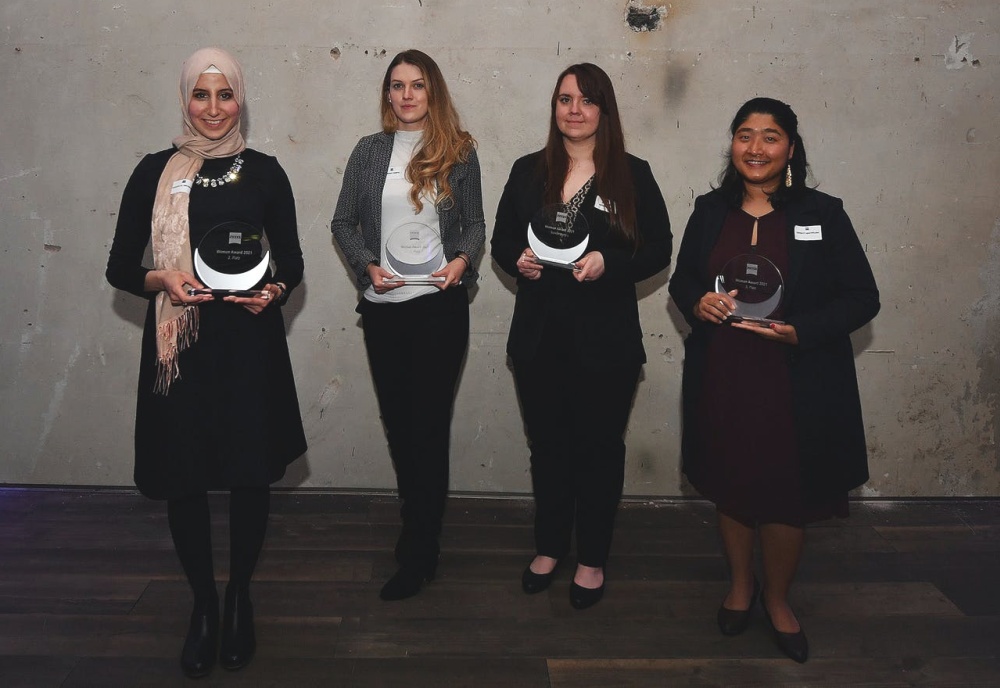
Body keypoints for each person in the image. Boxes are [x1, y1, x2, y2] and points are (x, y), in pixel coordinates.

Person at [106, 47, 306, 678]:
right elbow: (120, 267)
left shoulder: (266, 171)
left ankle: (240, 595)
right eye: (201, 94)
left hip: (249, 343)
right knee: (184, 475)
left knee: (250, 475)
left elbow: (292, 260)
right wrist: (162, 278)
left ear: (239, 98)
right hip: (181, 346)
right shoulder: (153, 170)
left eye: (225, 94)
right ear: (185, 99)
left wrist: (274, 290)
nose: (214, 108)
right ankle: (204, 604)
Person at [668, 97, 879, 662]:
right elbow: (684, 280)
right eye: (744, 135)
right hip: (725, 374)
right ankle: (741, 587)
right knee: (732, 484)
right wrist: (699, 301)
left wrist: (801, 331)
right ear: (732, 144)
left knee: (789, 495)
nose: (755, 147)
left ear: (790, 147)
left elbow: (863, 297)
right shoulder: (710, 210)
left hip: (796, 380)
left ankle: (779, 599)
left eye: (770, 136)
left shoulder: (823, 213)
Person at [491, 63, 672, 610]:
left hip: (605, 341)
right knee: (547, 447)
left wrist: (609, 264)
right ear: (554, 107)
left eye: (587, 100)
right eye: (565, 99)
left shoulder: (631, 174)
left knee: (598, 449)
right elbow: (501, 241)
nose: (575, 110)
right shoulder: (528, 171)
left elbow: (659, 248)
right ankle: (550, 547)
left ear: (604, 110)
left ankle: (592, 557)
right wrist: (518, 260)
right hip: (539, 338)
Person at [331, 49, 485, 601]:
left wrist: (462, 261)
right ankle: (415, 522)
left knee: (428, 427)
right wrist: (366, 266)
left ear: (432, 91)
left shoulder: (458, 150)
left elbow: (475, 223)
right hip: (383, 307)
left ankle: (422, 548)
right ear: (388, 95)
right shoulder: (368, 151)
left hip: (439, 309)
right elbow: (342, 222)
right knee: (399, 425)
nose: (406, 95)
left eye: (417, 85)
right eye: (397, 86)